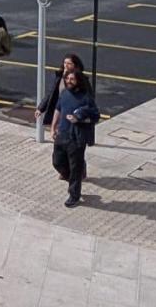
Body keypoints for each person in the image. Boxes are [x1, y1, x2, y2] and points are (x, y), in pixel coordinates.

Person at [39, 67, 100, 207]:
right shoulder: (65, 93)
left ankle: (74, 195)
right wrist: (53, 127)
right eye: (67, 78)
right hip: (62, 135)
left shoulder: (86, 97)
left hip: (76, 138)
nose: (69, 81)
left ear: (78, 80)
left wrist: (79, 119)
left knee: (75, 168)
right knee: (57, 162)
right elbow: (58, 109)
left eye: (72, 79)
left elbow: (96, 117)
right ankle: (74, 176)